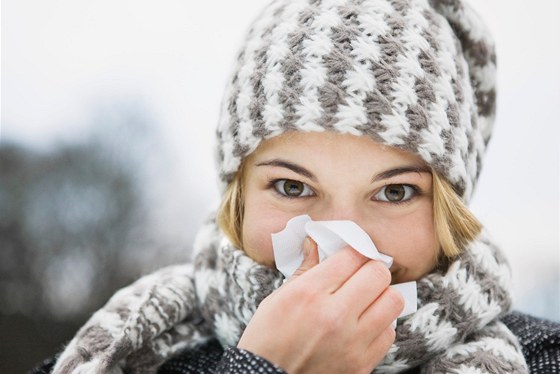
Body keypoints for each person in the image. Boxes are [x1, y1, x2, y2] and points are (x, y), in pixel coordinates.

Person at [32, 0, 560, 373]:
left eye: (395, 192)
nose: (338, 242)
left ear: (448, 210)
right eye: (290, 186)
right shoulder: (136, 349)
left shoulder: (542, 357)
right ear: (237, 197)